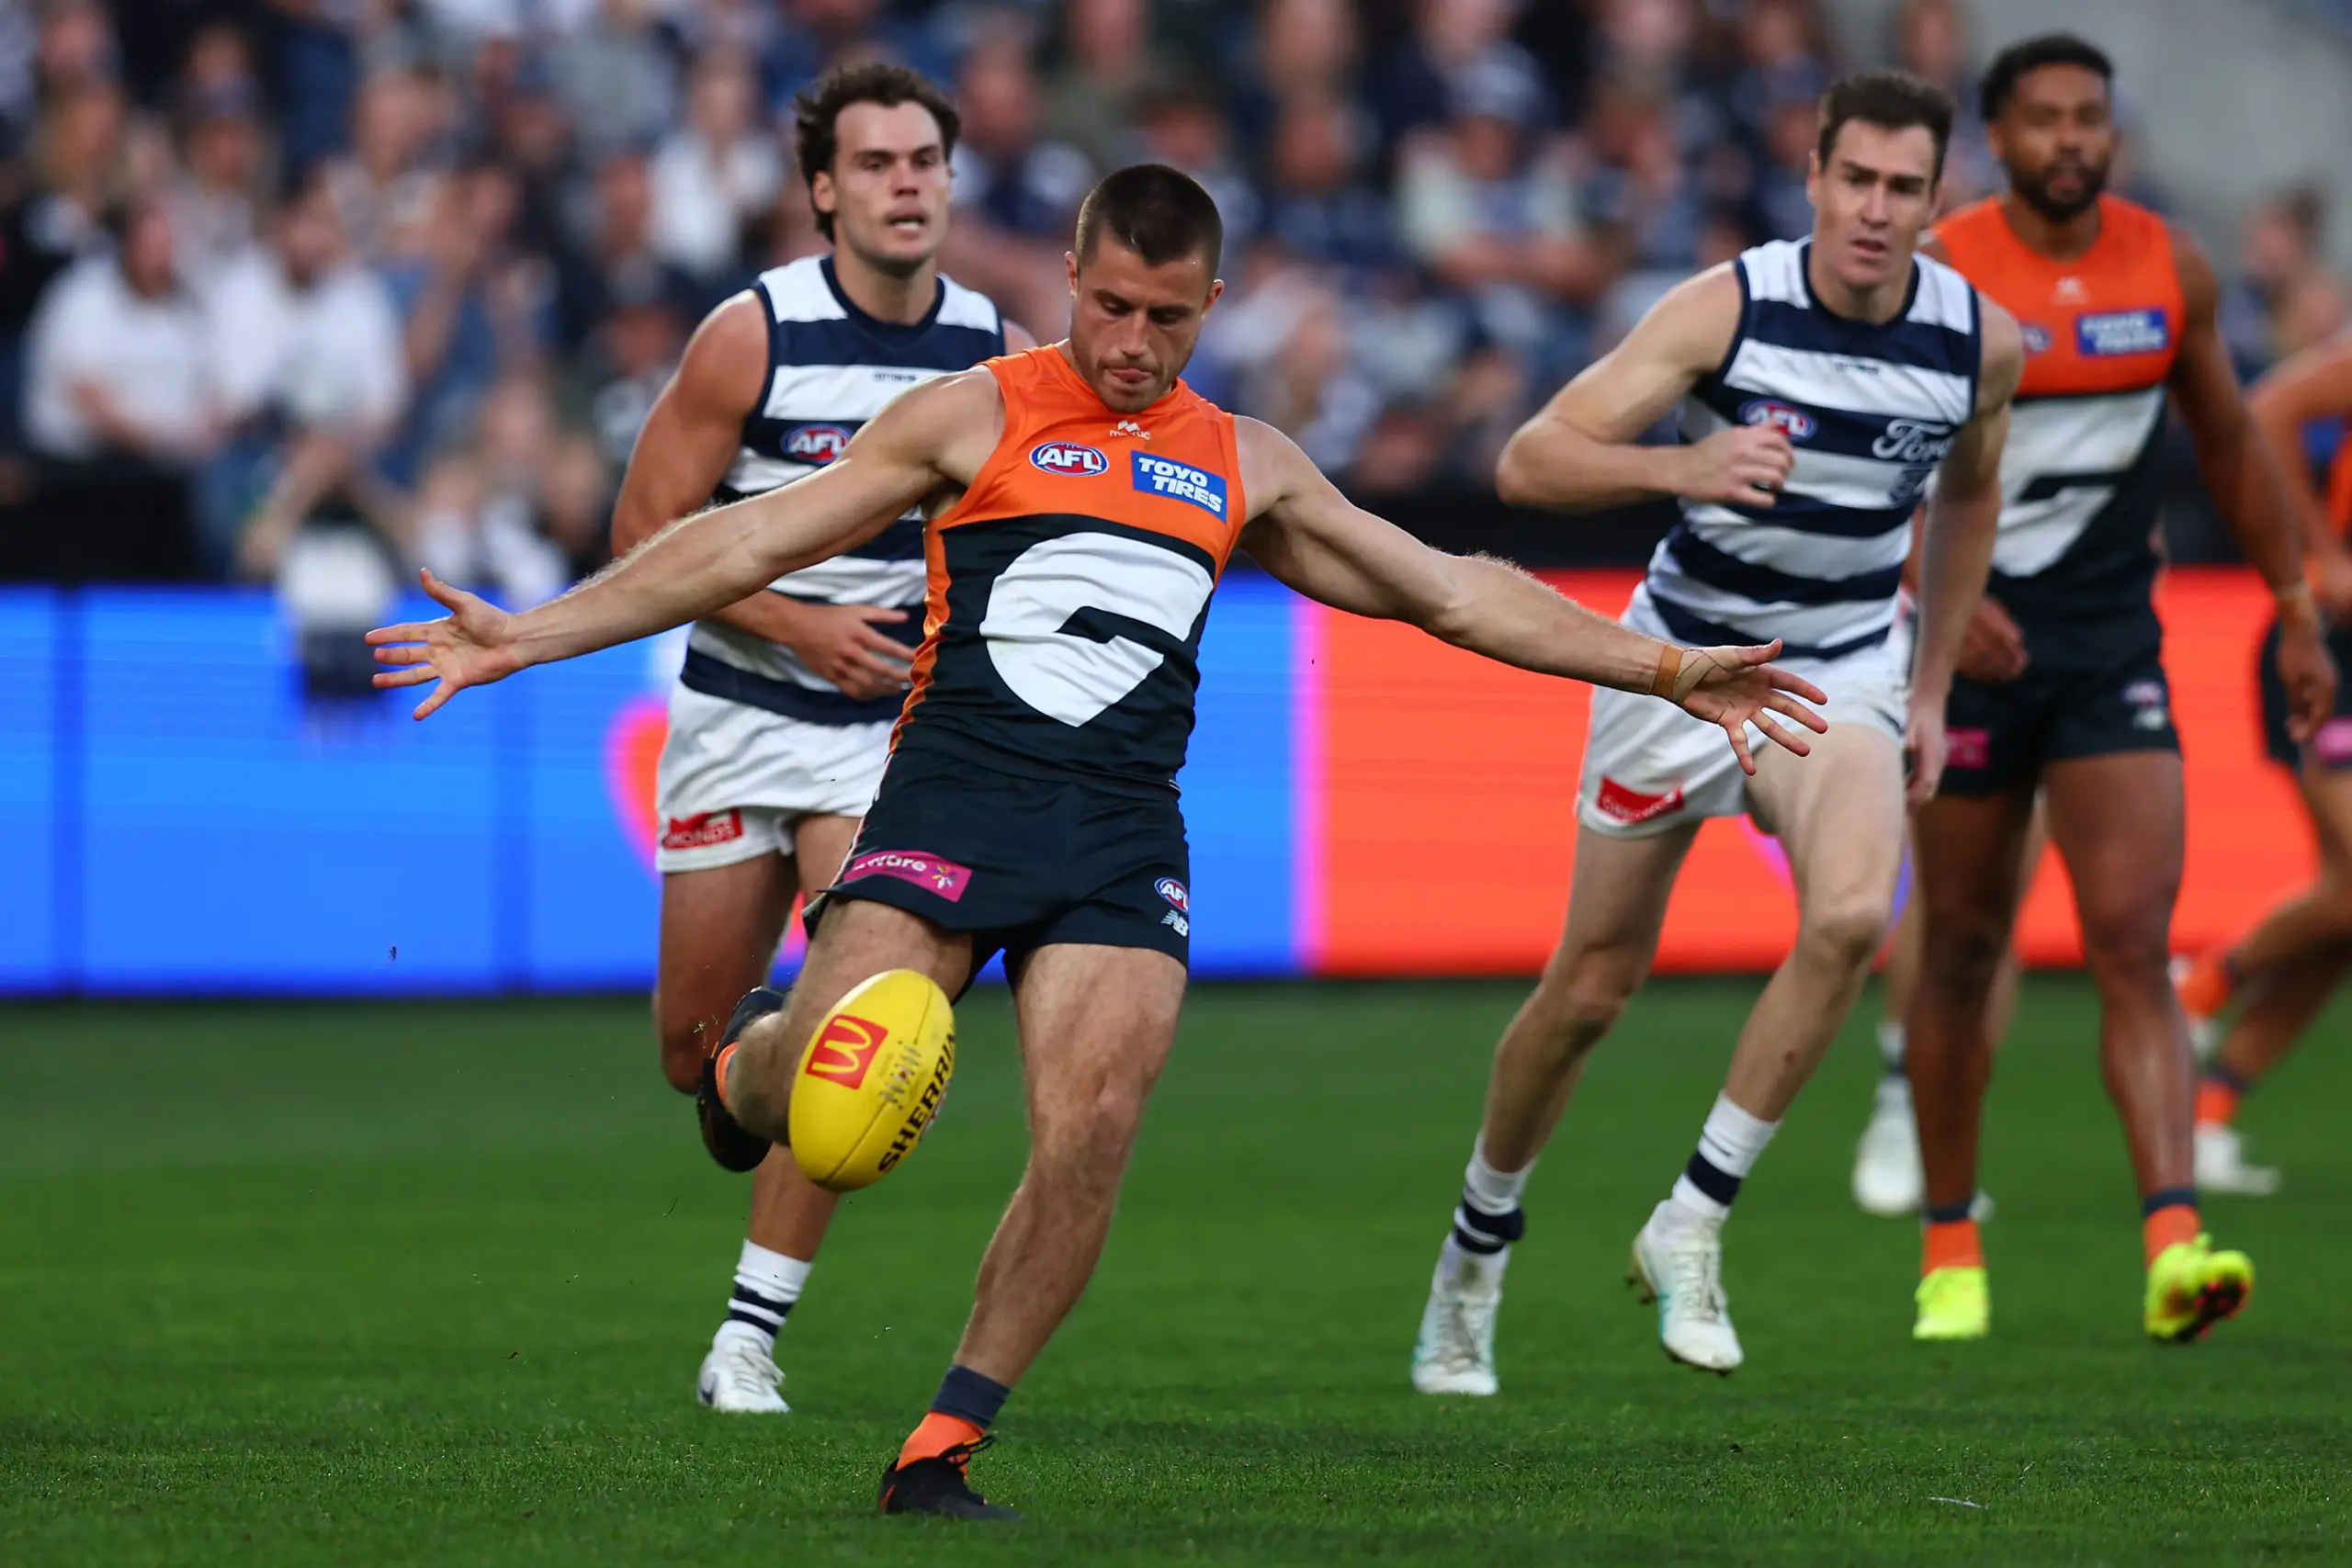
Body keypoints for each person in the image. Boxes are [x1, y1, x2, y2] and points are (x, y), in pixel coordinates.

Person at [368, 163, 1828, 1519]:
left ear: (1212, 302)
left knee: (1094, 1128)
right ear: (1070, 273)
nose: (1133, 341)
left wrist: (1665, 666)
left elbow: (1447, 588)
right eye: (1111, 305)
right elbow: (751, 538)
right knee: (818, 1103)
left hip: (1121, 836)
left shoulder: (1244, 461)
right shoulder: (975, 411)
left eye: (1168, 315)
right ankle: (752, 1057)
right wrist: (534, 634)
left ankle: (944, 1440)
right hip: (947, 801)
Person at [1408, 69, 2020, 1394]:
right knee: (1587, 994)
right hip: (1680, 668)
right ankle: (1476, 1249)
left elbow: (1973, 496)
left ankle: (1693, 1215)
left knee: (1855, 916)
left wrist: (1925, 689)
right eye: (1852, 178)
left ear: (1937, 198)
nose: (1874, 208)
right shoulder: (1727, 309)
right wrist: (1682, 465)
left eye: (1903, 187)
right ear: (1811, 177)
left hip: (1838, 670)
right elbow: (1531, 460)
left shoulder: (1981, 340)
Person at [603, 61, 1026, 1416]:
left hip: (886, 742)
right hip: (743, 710)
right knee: (700, 1059)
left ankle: (748, 1335)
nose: (909, 183)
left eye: (927, 161)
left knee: (854, 1022)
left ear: (952, 183)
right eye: (880, 163)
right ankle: (749, 1062)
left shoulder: (997, 348)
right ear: (824, 190)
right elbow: (641, 539)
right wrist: (798, 626)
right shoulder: (752, 335)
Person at [1903, 33, 2336, 1346]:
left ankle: (2173, 1238)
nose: (2071, 140)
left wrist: (2298, 603)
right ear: (1998, 138)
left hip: (2111, 654)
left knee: (2133, 945)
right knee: (1965, 946)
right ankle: (1948, 1242)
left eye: (2090, 117)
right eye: (2043, 119)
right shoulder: (1943, 274)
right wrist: (1938, 607)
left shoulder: (2169, 265)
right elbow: (1881, 460)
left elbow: (2230, 441)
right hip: (1973, 659)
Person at [2170, 332, 2352, 1194]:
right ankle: (2195, 995)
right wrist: (2324, 554)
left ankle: (2207, 1111)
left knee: (2347, 916)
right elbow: (2268, 410)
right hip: (2333, 650)